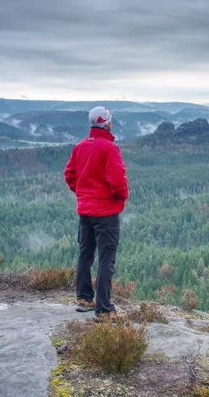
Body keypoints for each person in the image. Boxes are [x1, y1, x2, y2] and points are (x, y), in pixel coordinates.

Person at [64, 106, 129, 321]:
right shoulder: (109, 149)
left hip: (85, 211)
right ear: (107, 123)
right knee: (106, 259)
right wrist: (120, 199)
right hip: (106, 212)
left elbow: (70, 175)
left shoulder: (80, 147)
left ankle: (84, 299)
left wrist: (82, 194)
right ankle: (103, 309)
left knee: (85, 253)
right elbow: (118, 180)